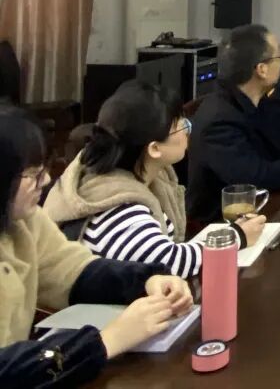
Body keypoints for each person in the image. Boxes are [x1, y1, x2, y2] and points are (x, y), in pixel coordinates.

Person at [0, 107, 194, 385]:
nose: (46, 180)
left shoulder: (25, 221)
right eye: (32, 174)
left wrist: (147, 280)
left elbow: (75, 271)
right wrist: (107, 341)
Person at [44, 81, 265, 278]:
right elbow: (171, 263)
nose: (188, 131)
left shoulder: (142, 176)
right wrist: (237, 236)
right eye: (181, 126)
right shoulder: (118, 206)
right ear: (154, 148)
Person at [186, 24, 280, 225]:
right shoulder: (219, 119)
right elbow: (254, 179)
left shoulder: (258, 100)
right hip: (220, 225)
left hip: (263, 209)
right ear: (262, 69)